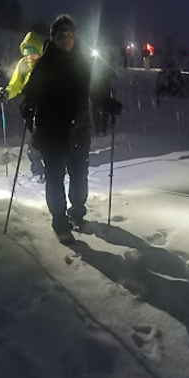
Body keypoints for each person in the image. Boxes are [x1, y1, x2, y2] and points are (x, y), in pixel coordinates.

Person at [20, 15, 121, 243]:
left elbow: (95, 91)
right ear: (54, 38)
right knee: (55, 177)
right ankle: (60, 222)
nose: (67, 40)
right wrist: (27, 106)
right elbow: (31, 92)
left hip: (78, 129)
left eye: (70, 35)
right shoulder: (45, 64)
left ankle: (77, 213)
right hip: (51, 129)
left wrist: (108, 104)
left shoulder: (82, 64)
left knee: (79, 175)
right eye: (62, 36)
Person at [0, 31, 45, 177]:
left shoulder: (46, 64)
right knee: (34, 137)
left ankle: (53, 166)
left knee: (47, 138)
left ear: (39, 50)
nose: (29, 56)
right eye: (27, 52)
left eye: (33, 52)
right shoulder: (23, 64)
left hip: (47, 106)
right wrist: (6, 93)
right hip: (30, 107)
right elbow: (16, 85)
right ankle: (37, 168)